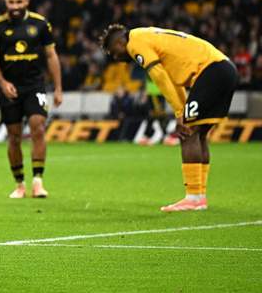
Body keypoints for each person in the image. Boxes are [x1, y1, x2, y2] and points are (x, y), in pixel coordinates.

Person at [100, 25, 238, 212]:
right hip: (225, 69)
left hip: (211, 71)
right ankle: (199, 197)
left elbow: (159, 76)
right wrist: (181, 110)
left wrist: (180, 113)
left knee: (187, 133)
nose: (116, 59)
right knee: (199, 134)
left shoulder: (135, 43)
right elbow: (174, 82)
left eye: (114, 53)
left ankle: (193, 197)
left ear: (119, 42)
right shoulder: (149, 36)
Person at [0, 0, 63, 199]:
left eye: (19, 2)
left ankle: (38, 181)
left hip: (34, 85)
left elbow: (51, 56)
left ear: (27, 1)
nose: (15, 6)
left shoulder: (40, 24)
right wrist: (2, 83)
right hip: (9, 88)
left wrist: (58, 87)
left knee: (38, 128)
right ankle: (19, 184)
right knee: (14, 136)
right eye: (11, 2)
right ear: (6, 2)